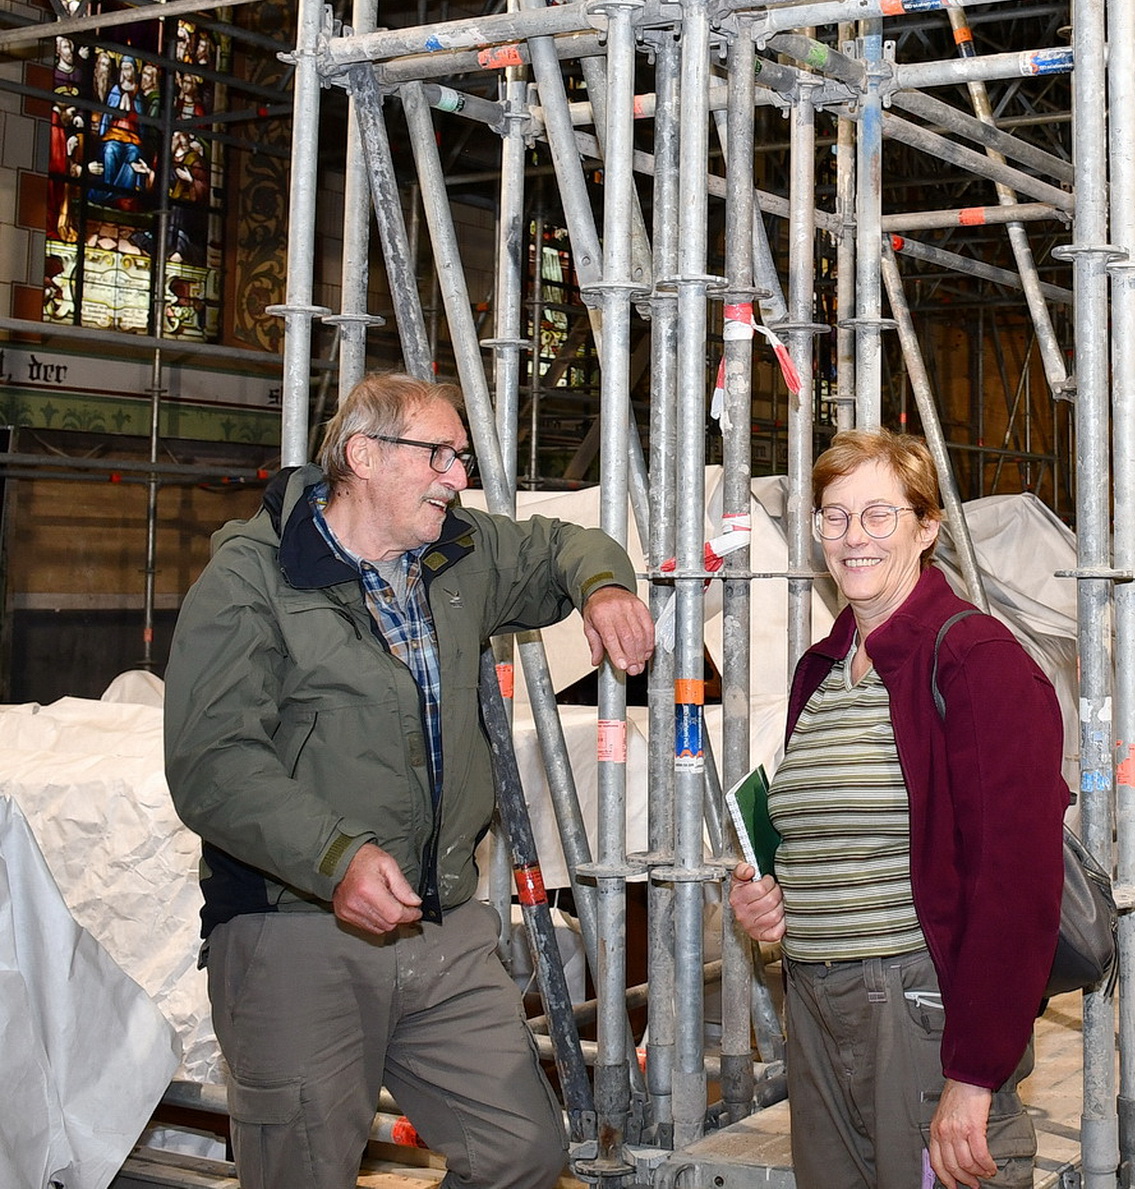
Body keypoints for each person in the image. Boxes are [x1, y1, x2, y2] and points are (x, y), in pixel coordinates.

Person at [164, 372, 654, 1189]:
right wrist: (336, 857)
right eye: (439, 454)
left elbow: (561, 545)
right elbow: (212, 760)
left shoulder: (454, 554)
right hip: (297, 932)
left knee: (520, 1154)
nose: (457, 476)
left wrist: (602, 586)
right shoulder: (251, 581)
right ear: (363, 455)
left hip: (440, 928)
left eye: (460, 457)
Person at [730, 429, 1068, 1189]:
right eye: (835, 515)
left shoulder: (976, 660)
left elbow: (1016, 881)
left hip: (918, 1005)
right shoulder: (821, 670)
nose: (854, 536)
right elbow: (820, 836)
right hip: (815, 1003)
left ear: (926, 528)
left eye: (879, 514)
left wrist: (975, 1073)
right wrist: (769, 900)